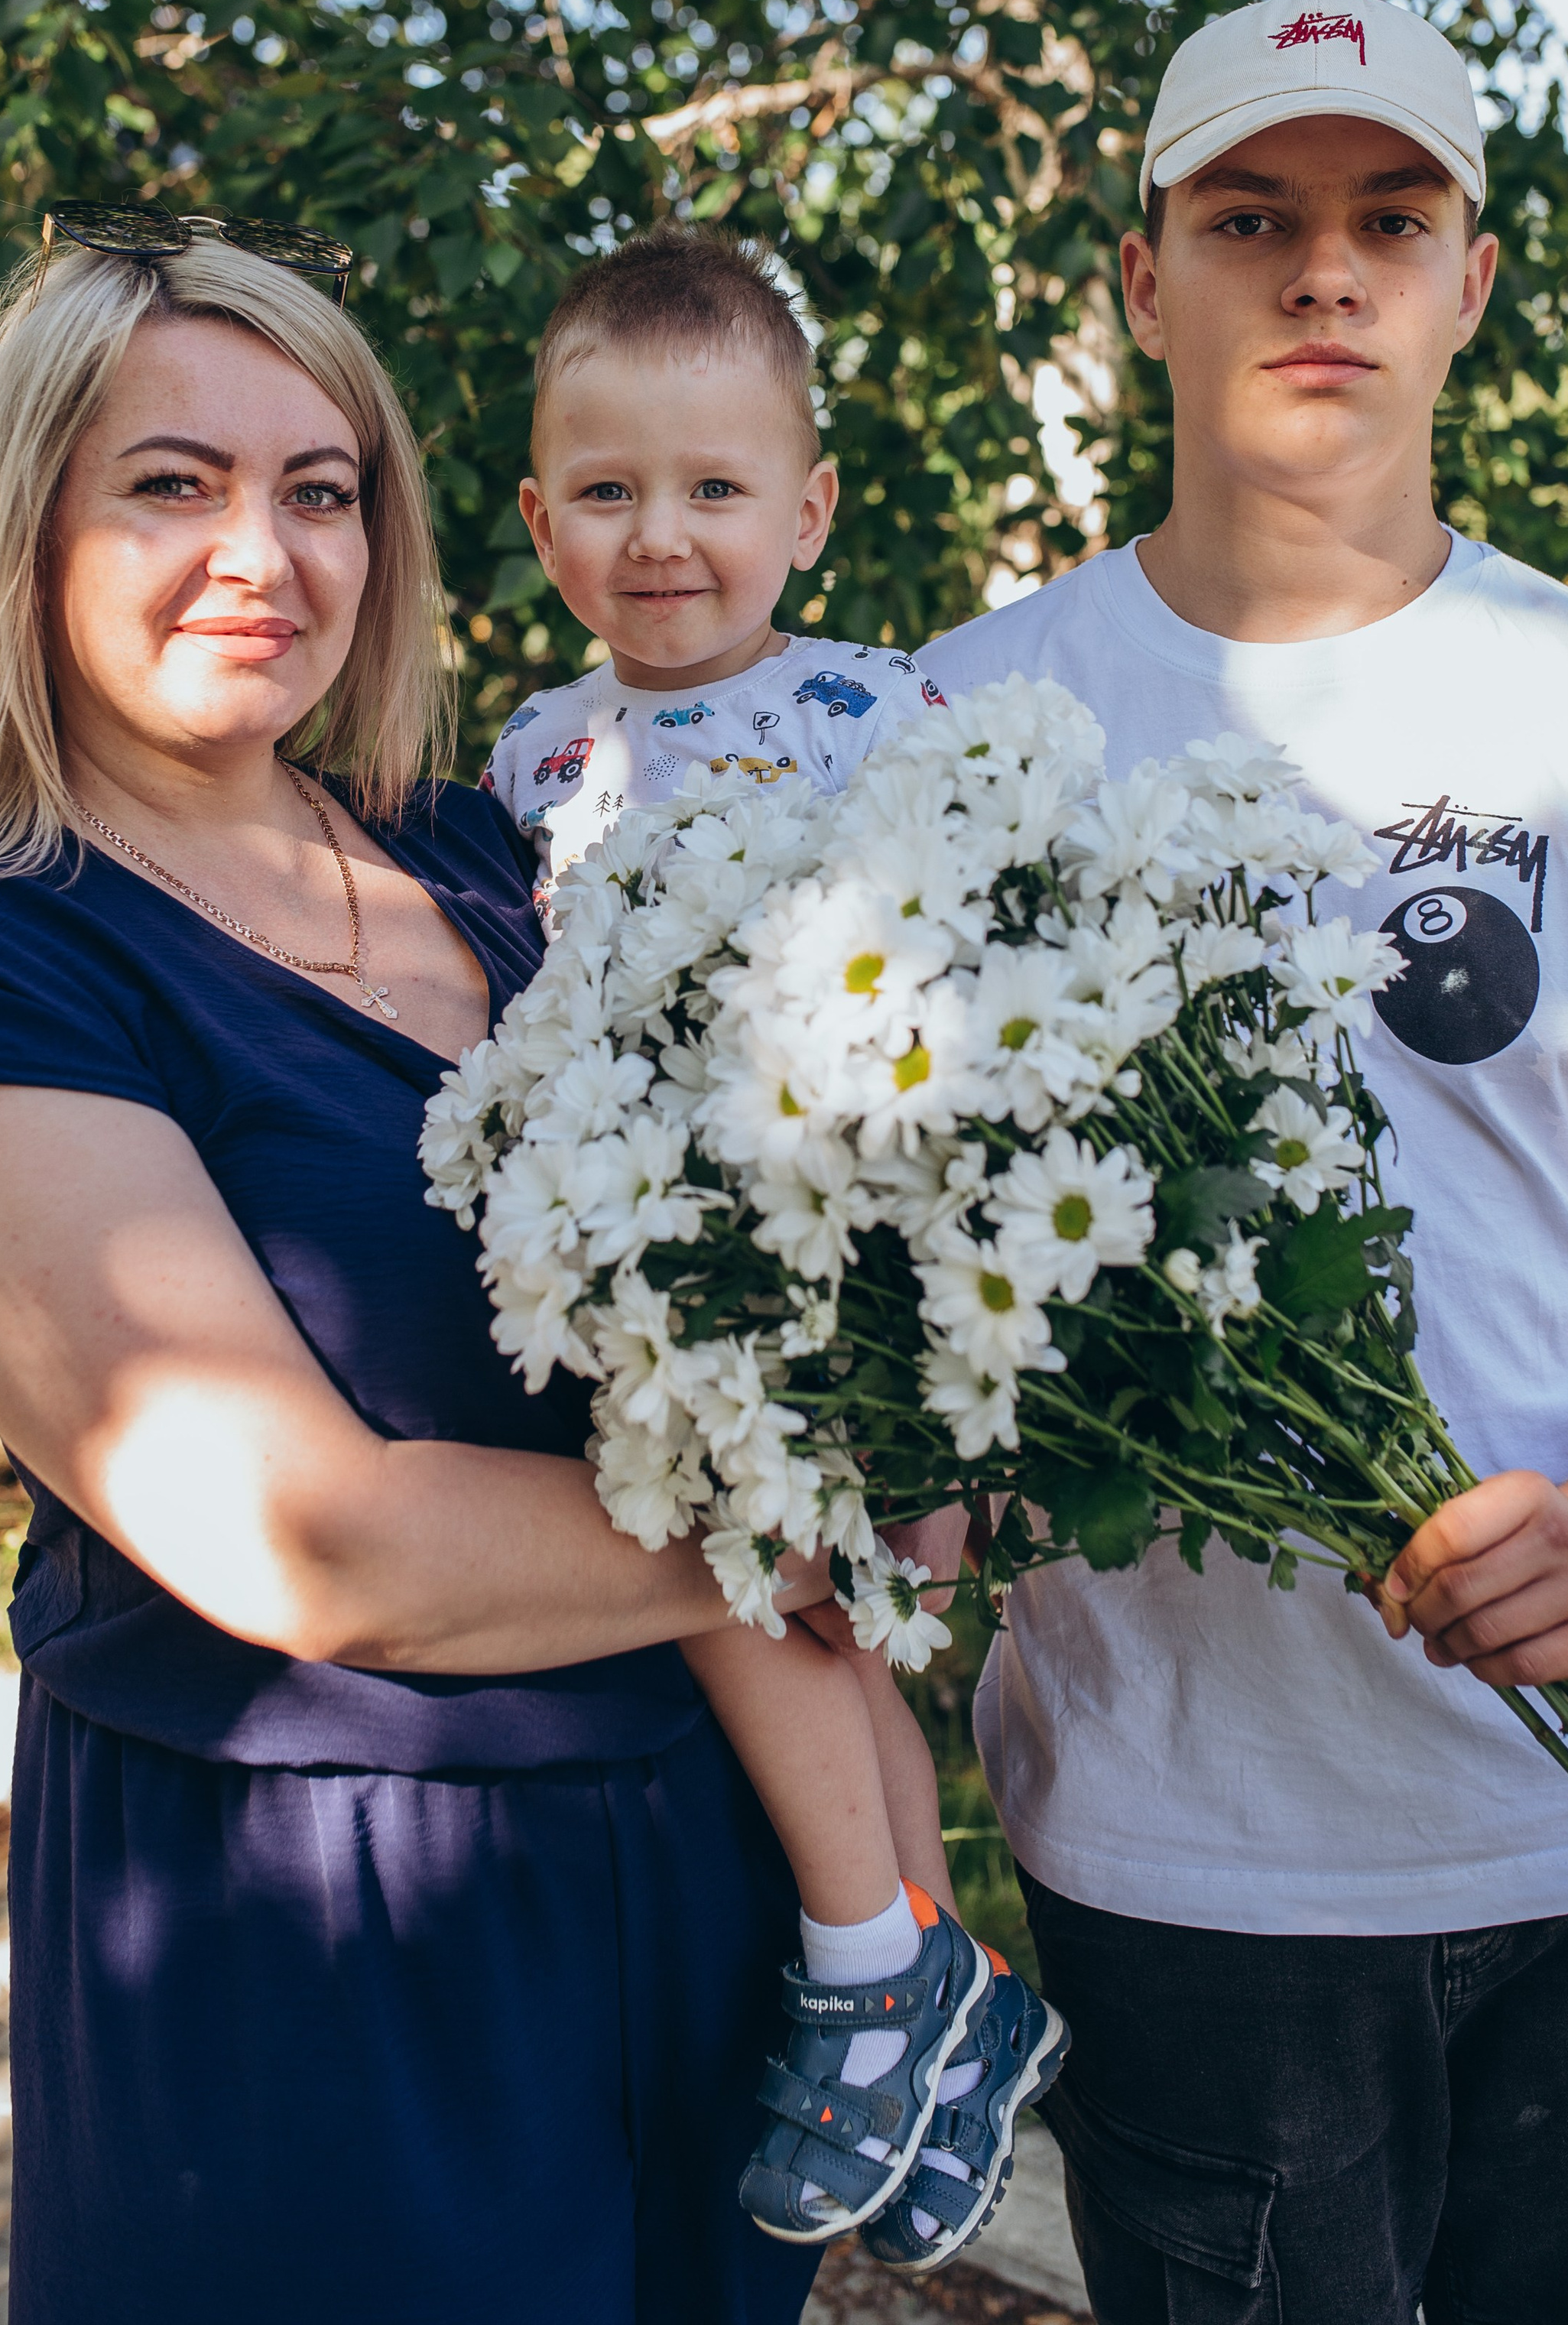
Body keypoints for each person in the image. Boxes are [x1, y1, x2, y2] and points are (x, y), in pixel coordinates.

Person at [0, 226, 839, 2325]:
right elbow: (319, 1547)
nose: (260, 553)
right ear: (32, 529)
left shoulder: (487, 853)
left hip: (695, 1884)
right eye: (171, 483)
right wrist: (831, 1525)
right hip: (328, 1946)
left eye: (322, 488)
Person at [924, 0, 1568, 2321]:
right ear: (1142, 274)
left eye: (1394, 217)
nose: (1323, 272)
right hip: (1200, 1872)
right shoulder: (962, 731)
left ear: (1473, 283)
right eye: (1249, 215)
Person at [483, 223, 1065, 2271]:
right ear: (543, 516)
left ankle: (870, 1964)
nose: (666, 539)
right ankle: (931, 1992)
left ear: (807, 513)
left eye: (718, 488)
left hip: (868, 1254)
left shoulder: (876, 714)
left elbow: (991, 982)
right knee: (794, 1618)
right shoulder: (533, 759)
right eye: (614, 493)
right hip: (685, 1278)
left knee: (779, 1598)